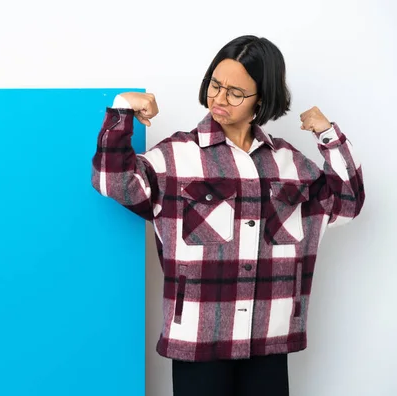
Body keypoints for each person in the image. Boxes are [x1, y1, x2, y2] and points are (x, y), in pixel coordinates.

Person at [91, 35, 365, 396]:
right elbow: (113, 182)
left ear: (262, 99)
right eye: (215, 85)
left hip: (268, 337)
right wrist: (122, 110)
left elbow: (347, 202)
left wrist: (327, 134)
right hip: (200, 339)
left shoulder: (290, 164)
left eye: (235, 92)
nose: (219, 98)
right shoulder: (176, 156)